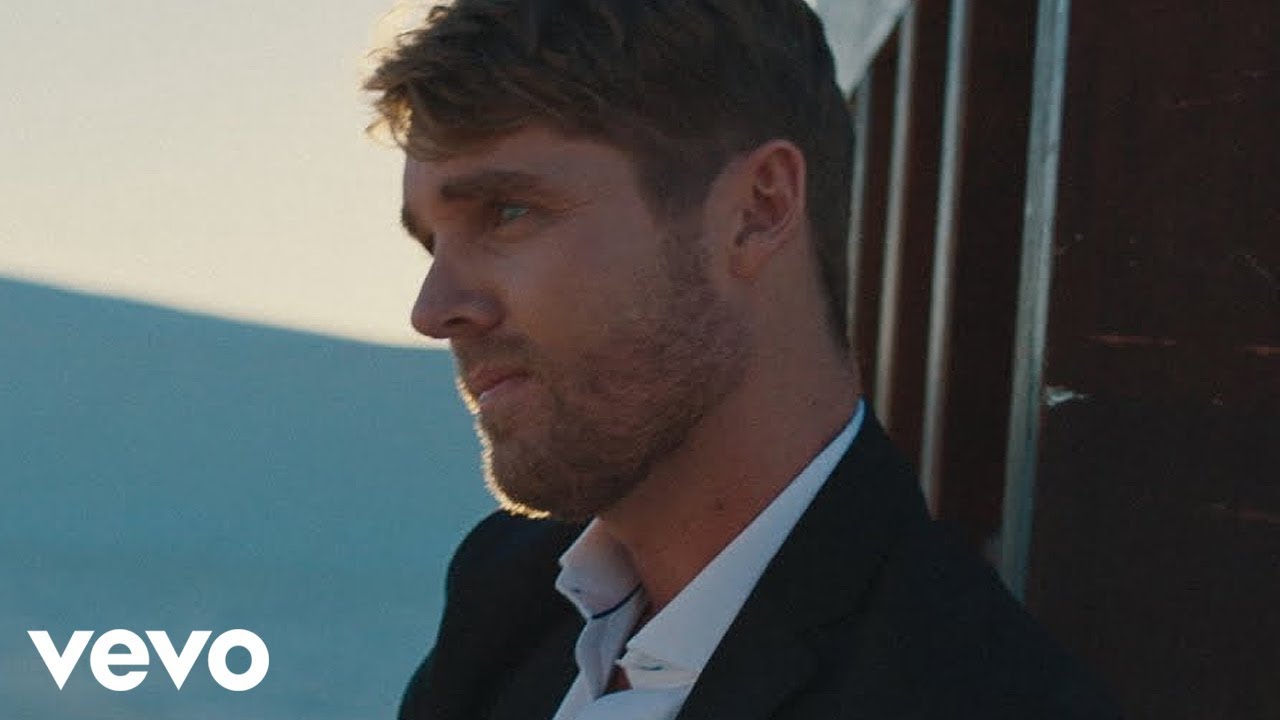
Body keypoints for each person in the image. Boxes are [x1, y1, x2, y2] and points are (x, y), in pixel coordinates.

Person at [365, 1, 1119, 718]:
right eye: (432, 243)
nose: (433, 311)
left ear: (758, 210)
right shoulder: (507, 601)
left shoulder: (967, 695)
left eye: (507, 212)